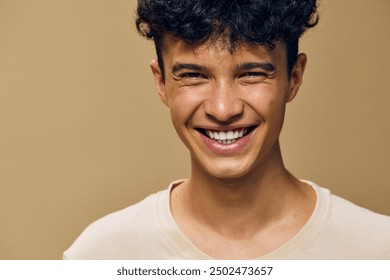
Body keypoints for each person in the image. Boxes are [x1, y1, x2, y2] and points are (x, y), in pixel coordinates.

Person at [64, 0, 390, 259]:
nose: (223, 109)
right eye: (193, 75)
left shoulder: (378, 251)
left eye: (251, 74)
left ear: (294, 76)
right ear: (161, 82)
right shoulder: (99, 257)